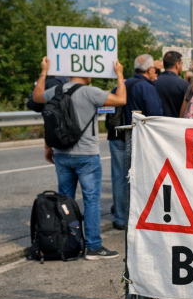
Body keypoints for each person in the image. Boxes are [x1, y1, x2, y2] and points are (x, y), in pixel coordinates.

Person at [32, 56, 127, 260]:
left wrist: (43, 72)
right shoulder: (90, 92)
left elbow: (37, 97)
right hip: (86, 156)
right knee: (91, 201)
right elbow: (121, 100)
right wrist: (119, 74)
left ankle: (68, 244)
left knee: (65, 201)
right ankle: (93, 247)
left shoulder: (56, 91)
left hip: (61, 154)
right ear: (88, 73)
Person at [108, 54, 163, 230]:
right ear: (149, 70)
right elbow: (155, 116)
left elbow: (107, 106)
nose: (156, 71)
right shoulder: (147, 88)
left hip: (116, 137)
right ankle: (137, 217)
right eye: (154, 68)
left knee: (118, 178)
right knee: (140, 177)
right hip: (137, 140)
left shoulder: (120, 85)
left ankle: (120, 219)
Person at [155, 50, 189, 118]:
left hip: (156, 126)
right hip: (176, 125)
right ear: (177, 65)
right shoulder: (184, 85)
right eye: (181, 63)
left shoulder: (153, 83)